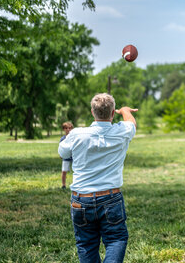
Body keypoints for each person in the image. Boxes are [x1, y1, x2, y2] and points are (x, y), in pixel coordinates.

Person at [59, 93, 137, 263]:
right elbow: (132, 123)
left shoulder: (77, 134)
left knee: (86, 244)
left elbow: (63, 152)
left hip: (81, 200)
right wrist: (124, 111)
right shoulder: (122, 131)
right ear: (111, 113)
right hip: (111, 198)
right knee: (116, 239)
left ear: (92, 112)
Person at [60, 121, 74, 189]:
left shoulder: (74, 138)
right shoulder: (63, 139)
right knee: (64, 171)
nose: (68, 129)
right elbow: (61, 147)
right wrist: (61, 154)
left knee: (76, 171)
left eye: (70, 128)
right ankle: (63, 184)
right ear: (64, 129)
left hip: (74, 157)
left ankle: (75, 184)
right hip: (66, 158)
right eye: (66, 128)